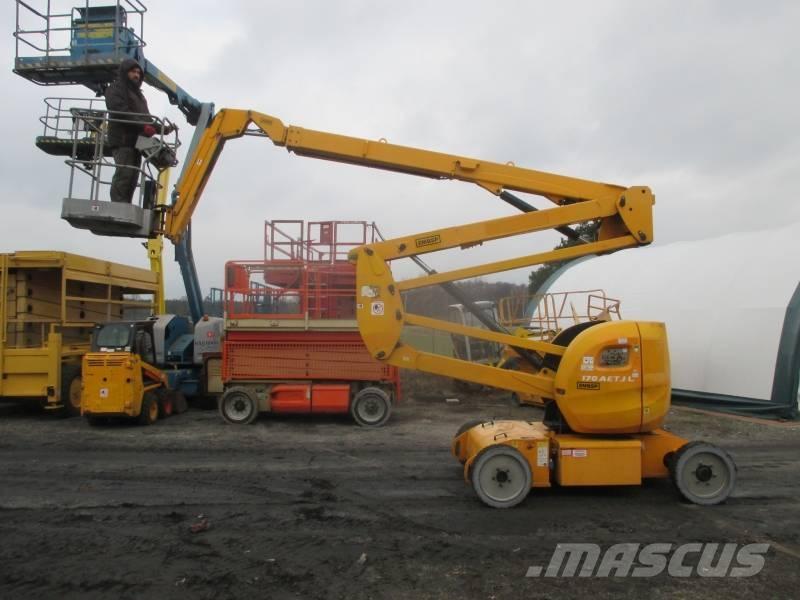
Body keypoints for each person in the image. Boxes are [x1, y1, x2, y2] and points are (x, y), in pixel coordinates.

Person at [104, 58, 159, 204]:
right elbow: (120, 110)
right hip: (122, 141)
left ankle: (125, 205)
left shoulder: (139, 96)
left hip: (136, 144)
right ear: (125, 72)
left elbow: (146, 119)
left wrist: (164, 129)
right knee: (124, 175)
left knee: (133, 178)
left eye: (138, 73)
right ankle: (117, 205)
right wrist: (143, 126)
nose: (136, 75)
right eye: (133, 72)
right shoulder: (115, 89)